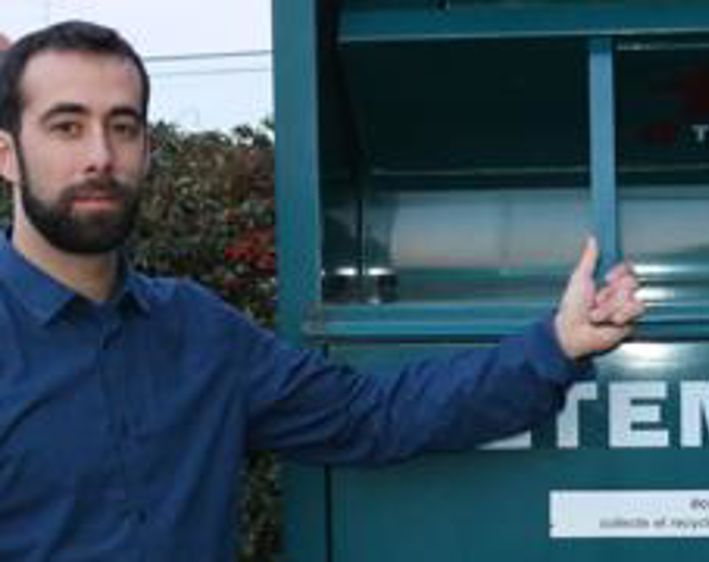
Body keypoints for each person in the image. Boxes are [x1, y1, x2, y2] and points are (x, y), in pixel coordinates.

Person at [0, 20, 643, 560]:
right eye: (66, 126)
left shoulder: (197, 333)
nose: (100, 156)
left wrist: (557, 344)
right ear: (7, 155)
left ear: (145, 149)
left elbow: (373, 416)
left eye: (122, 126)